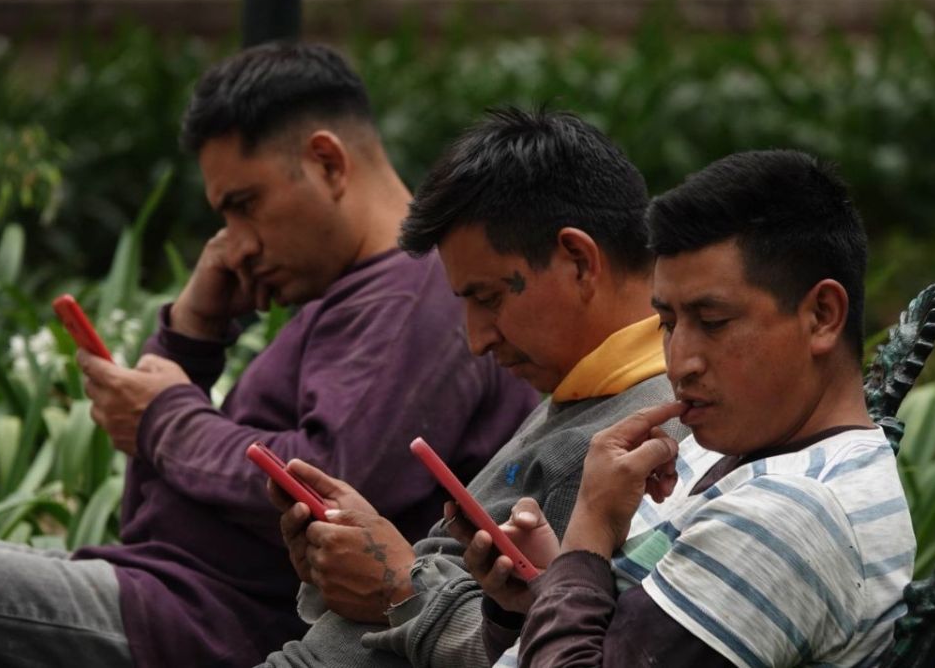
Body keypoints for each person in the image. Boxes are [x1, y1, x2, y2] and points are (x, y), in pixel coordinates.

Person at [0, 43, 537, 668]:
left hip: (203, 628)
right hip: (158, 595)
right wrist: (194, 332)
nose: (232, 245)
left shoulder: (410, 294)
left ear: (326, 162)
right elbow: (150, 522)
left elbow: (331, 484)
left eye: (244, 205)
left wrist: (165, 420)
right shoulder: (353, 293)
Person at [259, 108, 689, 668]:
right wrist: (345, 565)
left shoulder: (637, 442)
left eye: (488, 298)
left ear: (579, 261)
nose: (476, 339)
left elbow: (553, 649)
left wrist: (399, 583)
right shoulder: (584, 387)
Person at [470, 150, 916, 667]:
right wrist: (547, 590)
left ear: (822, 315)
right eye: (667, 322)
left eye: (713, 320)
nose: (680, 362)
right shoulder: (729, 452)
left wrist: (588, 532)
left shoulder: (790, 515)